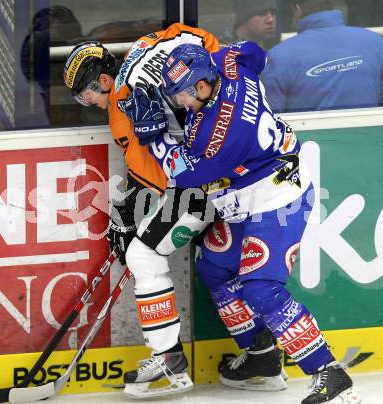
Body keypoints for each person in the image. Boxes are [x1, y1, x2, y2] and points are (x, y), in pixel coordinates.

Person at [126, 41, 361, 403]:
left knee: (260, 288)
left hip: (277, 201)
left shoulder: (221, 135)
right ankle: (261, 359)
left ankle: (328, 372)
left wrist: (155, 136)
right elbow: (254, 52)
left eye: (181, 97)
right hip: (247, 197)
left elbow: (183, 174)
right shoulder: (228, 65)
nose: (178, 104)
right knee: (215, 268)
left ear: (201, 87)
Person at [63, 23, 220, 398]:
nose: (89, 104)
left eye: (86, 96)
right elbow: (190, 32)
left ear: (103, 78)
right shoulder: (142, 56)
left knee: (141, 253)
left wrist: (126, 214)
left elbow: (152, 177)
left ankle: (169, 362)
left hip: (200, 189)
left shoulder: (120, 107)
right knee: (226, 268)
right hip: (225, 173)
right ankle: (261, 357)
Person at [261, 0, 383, 113]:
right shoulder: (376, 42)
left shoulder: (278, 57)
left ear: (297, 10)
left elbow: (269, 119)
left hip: (308, 135)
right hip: (371, 134)